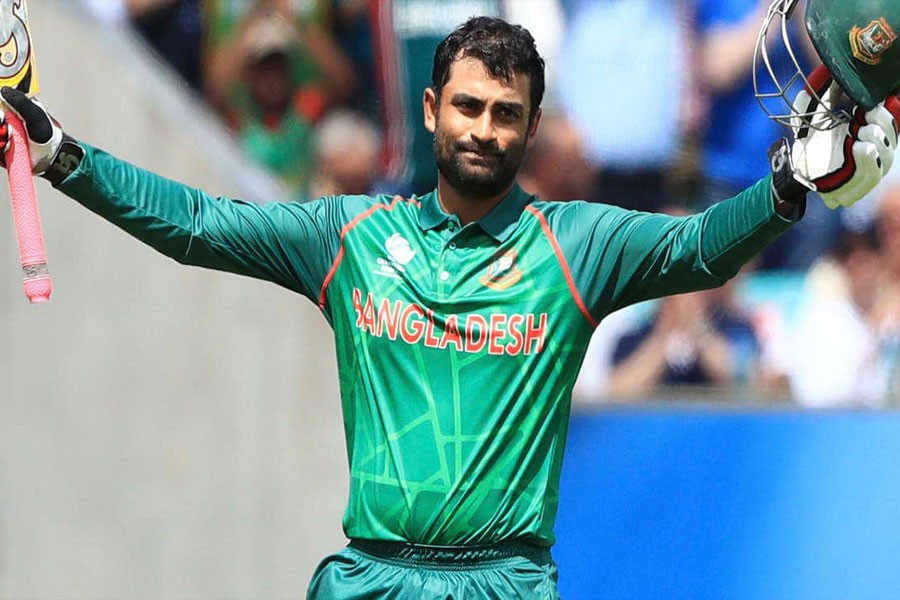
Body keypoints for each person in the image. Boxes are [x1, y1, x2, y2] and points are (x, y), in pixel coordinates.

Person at [0, 8, 897, 598]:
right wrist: (61, 153)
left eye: (507, 114)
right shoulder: (350, 238)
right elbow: (197, 223)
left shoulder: (575, 244)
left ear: (532, 127)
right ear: (431, 109)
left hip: (505, 582)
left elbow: (698, 248)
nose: (484, 129)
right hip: (372, 578)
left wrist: (785, 185)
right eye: (468, 106)